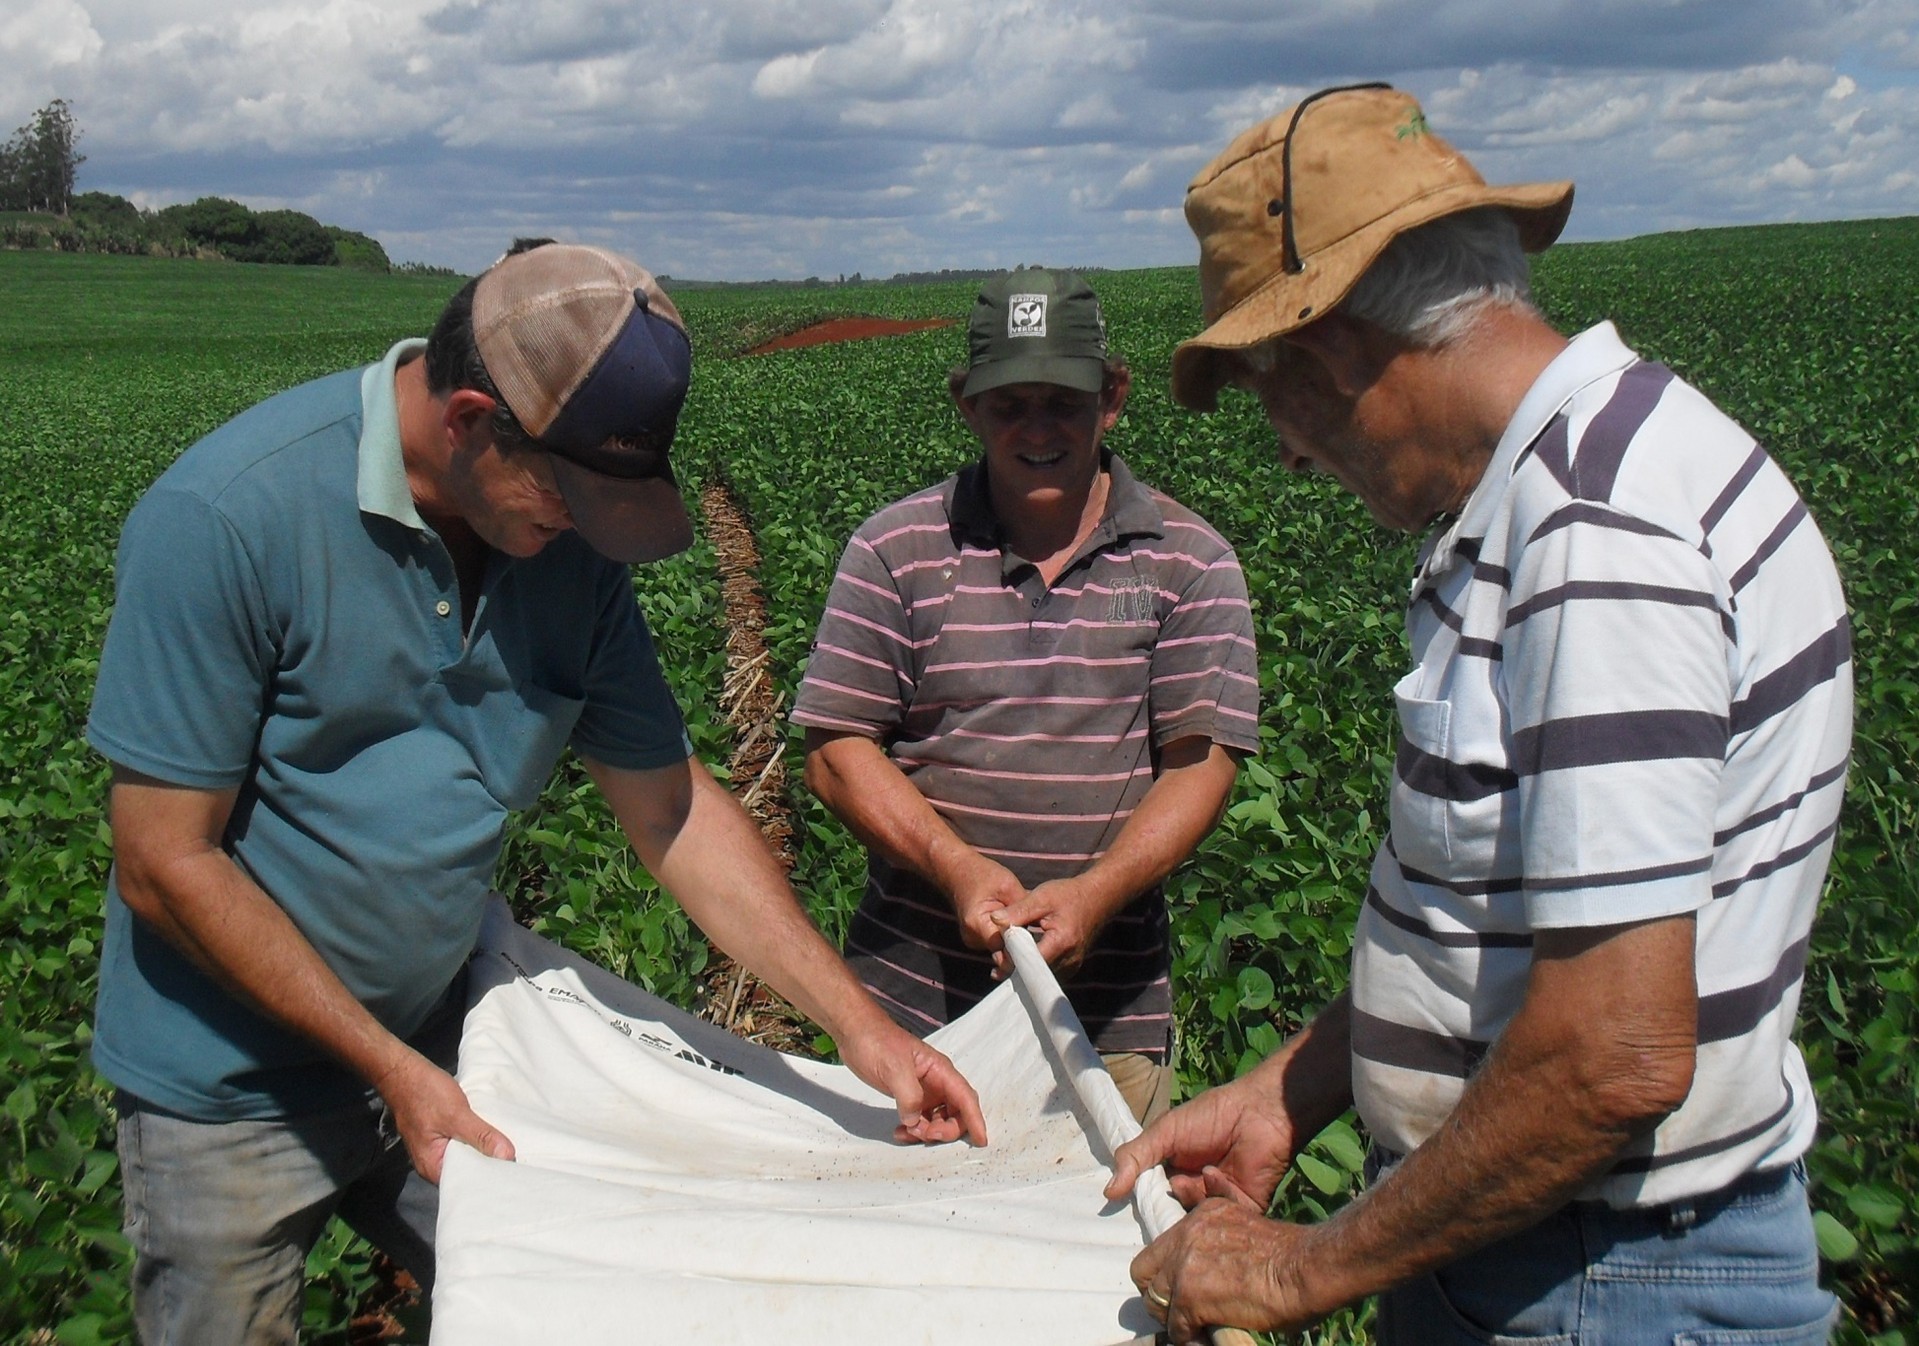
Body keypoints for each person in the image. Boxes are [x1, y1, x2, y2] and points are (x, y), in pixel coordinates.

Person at [86, 241, 985, 1344]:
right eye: (567, 492)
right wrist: (387, 1067)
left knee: (561, 1303)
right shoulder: (229, 519)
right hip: (227, 1085)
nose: (582, 528)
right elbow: (165, 860)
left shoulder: (567, 547)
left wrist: (862, 1029)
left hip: (446, 1029)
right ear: (470, 419)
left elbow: (671, 809)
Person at [1107, 85, 1851, 1344]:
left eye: (1268, 395)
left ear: (1331, 345)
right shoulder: (1577, 477)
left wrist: (1297, 1272)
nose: (1289, 454)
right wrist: (1296, 1088)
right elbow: (1506, 925)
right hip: (1545, 1257)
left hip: (1595, 1284)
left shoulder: (1596, 536)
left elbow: (1610, 1055)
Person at [792, 269, 1260, 1125]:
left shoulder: (1189, 561)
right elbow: (835, 753)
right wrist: (956, 867)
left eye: (1063, 402)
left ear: (1111, 398)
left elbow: (1200, 763)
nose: (1036, 430)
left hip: (1108, 1018)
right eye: (1009, 404)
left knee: (1101, 1251)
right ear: (966, 403)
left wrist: (1099, 891)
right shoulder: (894, 548)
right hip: (911, 1014)